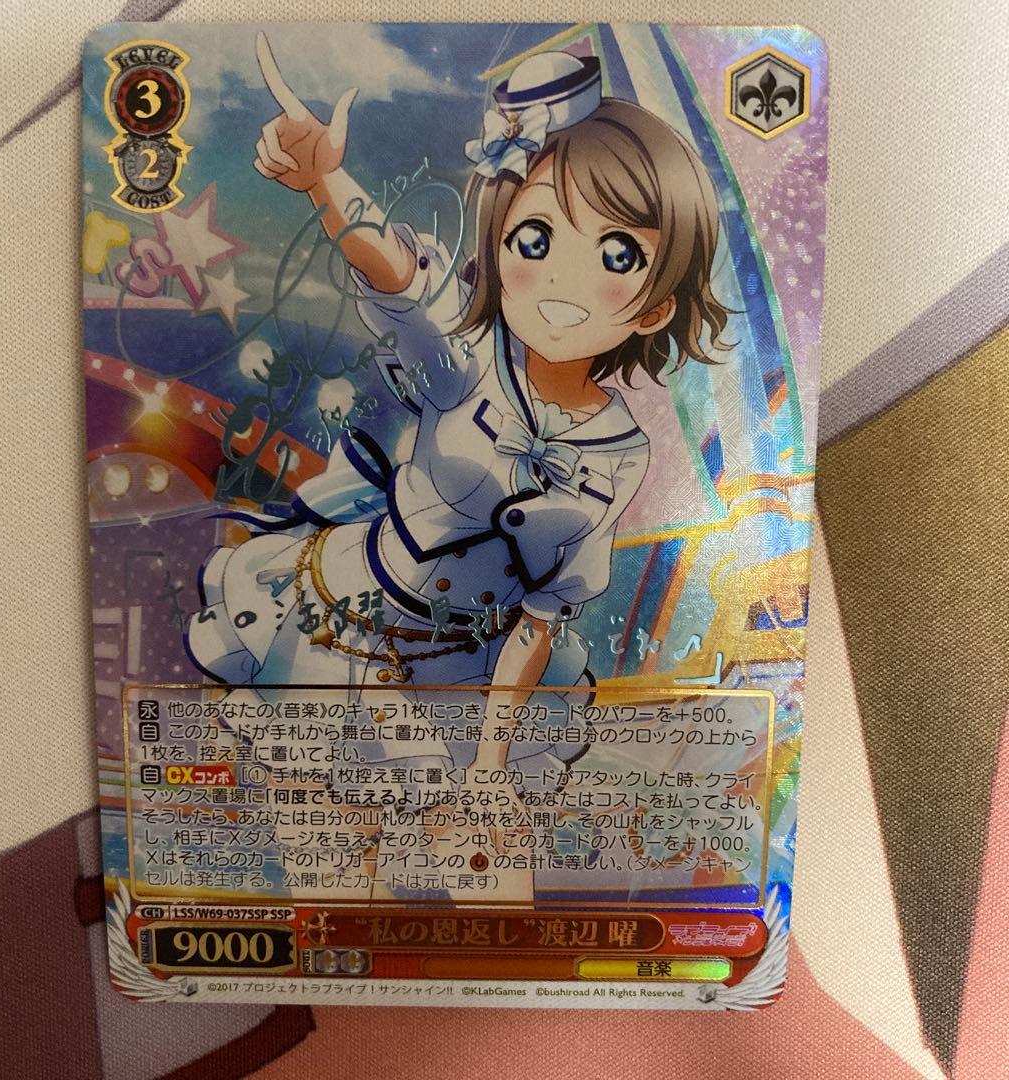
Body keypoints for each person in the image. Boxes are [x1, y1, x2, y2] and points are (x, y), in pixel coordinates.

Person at [185, 36, 729, 863]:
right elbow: (401, 280)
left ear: (656, 307)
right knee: (324, 840)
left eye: (617, 255)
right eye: (536, 238)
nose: (560, 281)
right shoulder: (468, 358)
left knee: (449, 856)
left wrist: (489, 767)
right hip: (347, 616)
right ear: (499, 242)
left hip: (467, 663)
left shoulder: (619, 453)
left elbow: (542, 614)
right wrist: (327, 182)